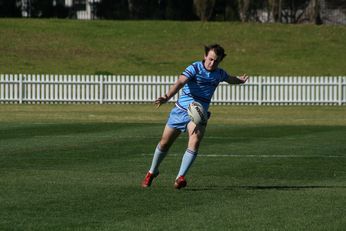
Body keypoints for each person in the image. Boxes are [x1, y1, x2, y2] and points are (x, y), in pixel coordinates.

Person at [141, 44, 248, 189]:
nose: (212, 63)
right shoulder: (195, 68)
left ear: (220, 61)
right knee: (165, 143)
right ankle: (152, 172)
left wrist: (239, 80)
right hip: (180, 111)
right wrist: (166, 97)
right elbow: (180, 82)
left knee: (195, 141)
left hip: (198, 115)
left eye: (216, 61)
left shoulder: (219, 73)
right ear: (205, 56)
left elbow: (229, 79)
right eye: (210, 59)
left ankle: (180, 177)